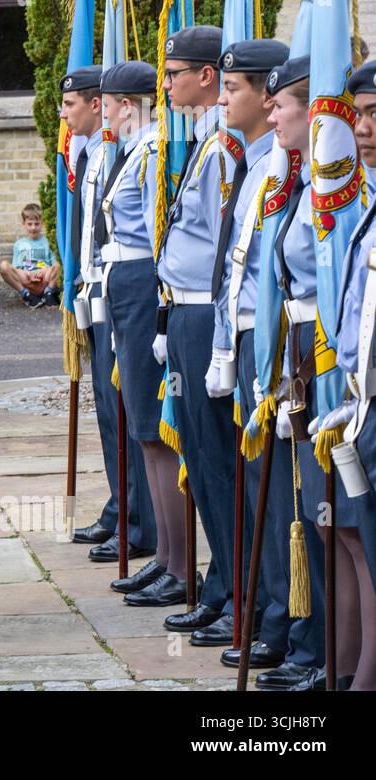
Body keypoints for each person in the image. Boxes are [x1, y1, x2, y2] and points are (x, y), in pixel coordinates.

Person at [204, 40, 316, 680]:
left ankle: (306, 637)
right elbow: (243, 261)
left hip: (303, 349)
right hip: (258, 341)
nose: (272, 117)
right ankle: (279, 619)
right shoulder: (265, 169)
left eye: (282, 104)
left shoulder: (307, 175)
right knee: (262, 493)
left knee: (301, 506)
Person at [152, 25, 241, 643]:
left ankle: (238, 593)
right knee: (200, 458)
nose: (167, 82)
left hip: (206, 311)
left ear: (205, 77)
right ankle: (220, 585)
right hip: (182, 311)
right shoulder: (206, 141)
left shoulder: (225, 149)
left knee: (216, 460)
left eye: (175, 72)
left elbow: (222, 245)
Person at [59, 66, 154, 562]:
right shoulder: (94, 152)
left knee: (128, 409)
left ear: (103, 104)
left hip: (126, 287)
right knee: (109, 408)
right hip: (99, 288)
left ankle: (140, 518)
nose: (63, 114)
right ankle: (123, 507)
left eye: (71, 104)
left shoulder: (126, 150)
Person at [303, 60, 376, 691]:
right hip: (361, 406)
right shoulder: (368, 204)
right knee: (357, 541)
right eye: (362, 116)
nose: (369, 130)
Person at [90, 62, 164, 584]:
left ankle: (160, 540)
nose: (106, 113)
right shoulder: (130, 150)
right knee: (133, 414)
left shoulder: (152, 150)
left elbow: (157, 233)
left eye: (111, 104)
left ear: (128, 104)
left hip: (140, 278)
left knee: (145, 417)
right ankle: (161, 548)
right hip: (121, 278)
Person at [0, 204, 60, 307]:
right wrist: (28, 274)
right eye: (29, 224)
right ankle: (26, 294)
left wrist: (43, 271)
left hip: (44, 279)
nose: (33, 227)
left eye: (37, 224)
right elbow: (16, 268)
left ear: (42, 224)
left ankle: (48, 293)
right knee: (3, 266)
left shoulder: (48, 241)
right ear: (24, 224)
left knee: (60, 263)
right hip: (27, 280)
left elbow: (54, 265)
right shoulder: (19, 244)